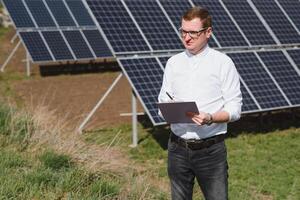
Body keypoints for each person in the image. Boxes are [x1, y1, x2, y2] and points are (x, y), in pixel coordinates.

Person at [158, 6, 242, 200]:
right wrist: (168, 110)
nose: (187, 38)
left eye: (193, 33)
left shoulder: (223, 63)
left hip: (210, 151)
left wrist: (210, 117)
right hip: (177, 148)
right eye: (183, 31)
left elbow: (235, 109)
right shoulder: (173, 63)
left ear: (208, 32)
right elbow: (163, 99)